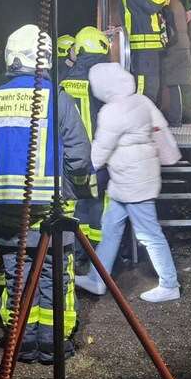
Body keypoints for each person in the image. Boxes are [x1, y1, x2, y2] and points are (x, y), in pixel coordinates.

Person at [0, 24, 93, 363]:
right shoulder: (58, 98)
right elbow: (80, 157)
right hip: (52, 212)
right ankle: (53, 345)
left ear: (10, 58)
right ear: (47, 59)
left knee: (17, 278)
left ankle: (21, 343)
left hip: (7, 215)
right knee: (54, 279)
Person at [75, 62, 180, 303]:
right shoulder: (141, 100)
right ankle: (97, 278)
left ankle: (169, 283)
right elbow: (160, 128)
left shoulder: (112, 111)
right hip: (136, 177)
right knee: (111, 228)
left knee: (149, 234)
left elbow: (100, 150)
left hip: (132, 182)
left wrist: (82, 167)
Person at [60, 26, 110, 255]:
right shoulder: (105, 81)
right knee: (97, 206)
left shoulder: (63, 80)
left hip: (70, 156)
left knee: (73, 207)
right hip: (99, 157)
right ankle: (98, 257)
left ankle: (74, 253)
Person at [116, 0, 169, 106]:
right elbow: (154, 2)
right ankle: (140, 127)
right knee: (145, 92)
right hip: (144, 47)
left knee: (149, 90)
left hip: (146, 47)